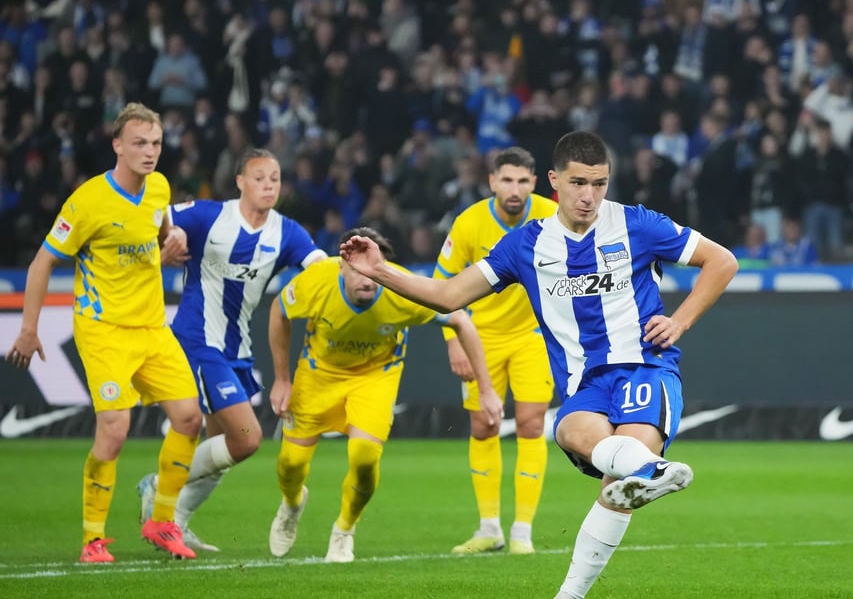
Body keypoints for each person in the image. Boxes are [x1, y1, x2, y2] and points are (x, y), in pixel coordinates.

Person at [341, 131, 738, 599]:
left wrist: (679, 321)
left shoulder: (637, 224)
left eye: (599, 183)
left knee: (619, 477)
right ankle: (651, 472)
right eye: (578, 183)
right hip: (583, 384)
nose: (589, 196)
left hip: (645, 369)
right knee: (573, 434)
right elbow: (447, 295)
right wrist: (380, 270)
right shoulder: (527, 244)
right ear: (554, 183)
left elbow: (721, 261)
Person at [5, 102, 203, 562]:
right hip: (104, 329)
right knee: (115, 429)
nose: (150, 152)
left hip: (152, 326)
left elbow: (159, 233)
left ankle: (162, 521)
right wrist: (29, 329)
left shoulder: (159, 188)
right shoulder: (89, 200)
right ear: (117, 145)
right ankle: (93, 540)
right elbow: (43, 261)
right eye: (139, 143)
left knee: (190, 418)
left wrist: (171, 244)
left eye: (155, 143)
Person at [266, 227, 503, 563]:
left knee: (364, 457)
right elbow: (278, 310)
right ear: (341, 266)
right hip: (319, 376)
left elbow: (462, 322)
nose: (367, 278)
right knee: (291, 464)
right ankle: (291, 504)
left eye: (372, 270)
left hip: (375, 378)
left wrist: (488, 390)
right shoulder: (315, 281)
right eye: (357, 270)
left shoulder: (400, 288)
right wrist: (280, 379)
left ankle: (344, 529)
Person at [136, 148, 327, 552]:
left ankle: (174, 521)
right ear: (239, 181)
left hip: (237, 347)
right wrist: (166, 238)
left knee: (220, 450)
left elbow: (320, 268)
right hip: (197, 340)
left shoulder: (286, 232)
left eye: (275, 178)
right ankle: (158, 483)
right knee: (247, 439)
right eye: (259, 177)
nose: (268, 185)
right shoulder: (207, 216)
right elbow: (153, 217)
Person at [434, 147, 558, 555]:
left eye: (523, 181)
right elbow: (442, 284)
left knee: (531, 424)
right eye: (507, 180)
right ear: (492, 182)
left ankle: (522, 531)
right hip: (479, 337)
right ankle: (489, 528)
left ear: (534, 183)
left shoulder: (550, 215)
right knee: (484, 426)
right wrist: (454, 342)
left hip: (532, 336)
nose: (515, 189)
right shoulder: (469, 223)